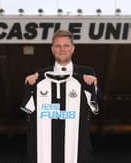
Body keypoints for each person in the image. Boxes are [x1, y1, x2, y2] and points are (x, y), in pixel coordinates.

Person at [21, 30, 102, 163]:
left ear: (73, 48)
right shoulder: (39, 76)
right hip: (45, 154)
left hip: (77, 152)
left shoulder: (87, 73)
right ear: (52, 49)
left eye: (66, 46)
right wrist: (29, 86)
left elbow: (100, 106)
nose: (62, 50)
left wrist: (95, 86)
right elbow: (27, 115)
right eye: (58, 46)